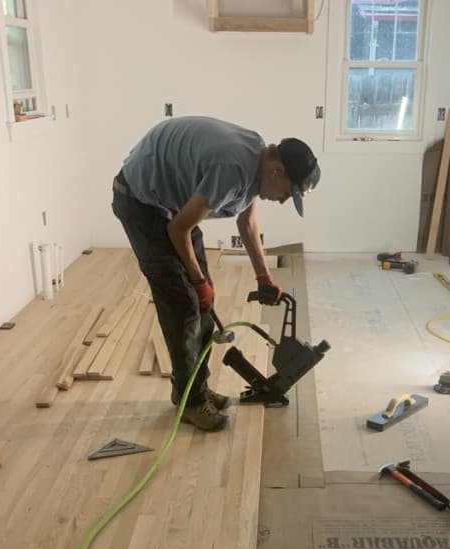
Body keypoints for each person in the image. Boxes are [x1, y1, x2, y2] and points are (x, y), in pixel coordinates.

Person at [111, 116, 320, 432]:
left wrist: (264, 277)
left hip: (172, 207)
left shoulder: (257, 160)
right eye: (288, 194)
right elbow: (179, 228)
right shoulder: (232, 168)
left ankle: (198, 388)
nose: (282, 200)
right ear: (277, 171)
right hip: (141, 204)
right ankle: (190, 402)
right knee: (183, 307)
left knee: (204, 304)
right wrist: (198, 281)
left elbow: (247, 224)